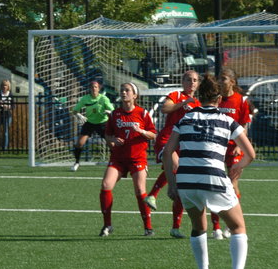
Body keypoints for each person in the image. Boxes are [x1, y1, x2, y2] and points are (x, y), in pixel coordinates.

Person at [163, 73, 255, 269]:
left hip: (186, 180)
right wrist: (237, 168)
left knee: (198, 227)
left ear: (199, 98)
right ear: (219, 99)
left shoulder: (185, 119)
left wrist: (172, 184)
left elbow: (167, 152)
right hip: (213, 178)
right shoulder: (227, 120)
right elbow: (250, 153)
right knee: (238, 227)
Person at [144, 70, 200, 238]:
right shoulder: (176, 95)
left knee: (181, 185)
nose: (191, 83)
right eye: (188, 79)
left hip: (184, 144)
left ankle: (175, 228)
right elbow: (165, 108)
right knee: (176, 165)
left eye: (195, 80)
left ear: (198, 84)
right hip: (167, 140)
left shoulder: (198, 103)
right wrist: (183, 103)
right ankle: (152, 195)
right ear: (183, 82)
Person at [99, 82, 157, 237]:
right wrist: (112, 140)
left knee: (139, 190)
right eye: (122, 90)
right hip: (118, 158)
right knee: (106, 185)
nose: (124, 93)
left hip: (137, 158)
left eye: (127, 90)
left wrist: (141, 131)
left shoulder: (143, 113)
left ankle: (148, 227)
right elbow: (108, 135)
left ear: (135, 95)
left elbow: (153, 134)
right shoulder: (115, 114)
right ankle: (107, 225)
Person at [211, 68, 251, 240]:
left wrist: (240, 146)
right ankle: (216, 227)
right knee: (215, 185)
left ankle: (231, 224)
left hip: (234, 149)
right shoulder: (216, 99)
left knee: (232, 185)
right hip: (217, 148)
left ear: (232, 82)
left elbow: (244, 125)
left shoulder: (241, 100)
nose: (220, 82)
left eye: (224, 79)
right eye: (219, 79)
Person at [70, 79, 114, 172]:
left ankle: (115, 162)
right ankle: (77, 162)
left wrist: (109, 112)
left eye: (95, 87)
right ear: (89, 89)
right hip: (90, 123)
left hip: (102, 123)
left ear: (99, 88)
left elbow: (113, 111)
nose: (94, 89)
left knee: (112, 144)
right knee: (79, 143)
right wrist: (79, 115)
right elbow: (74, 111)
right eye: (92, 87)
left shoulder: (104, 99)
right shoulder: (85, 98)